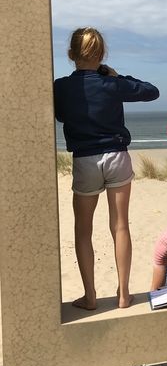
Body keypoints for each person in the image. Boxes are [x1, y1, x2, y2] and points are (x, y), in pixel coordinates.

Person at [54, 27, 160, 309]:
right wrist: (116, 76)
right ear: (101, 55)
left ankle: (90, 297)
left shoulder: (61, 86)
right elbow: (152, 92)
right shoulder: (112, 84)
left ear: (70, 54)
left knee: (83, 230)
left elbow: (61, 115)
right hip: (116, 155)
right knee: (120, 226)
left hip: (85, 159)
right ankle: (124, 294)